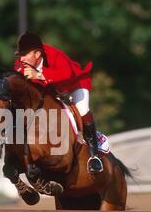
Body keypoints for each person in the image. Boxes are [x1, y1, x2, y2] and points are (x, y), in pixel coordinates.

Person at [13, 31, 103, 173]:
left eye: (24, 55)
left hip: (74, 85)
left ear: (37, 54)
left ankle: (94, 155)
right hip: (53, 91)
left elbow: (66, 75)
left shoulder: (55, 55)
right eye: (20, 55)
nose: (21, 59)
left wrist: (39, 75)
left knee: (83, 110)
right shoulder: (20, 65)